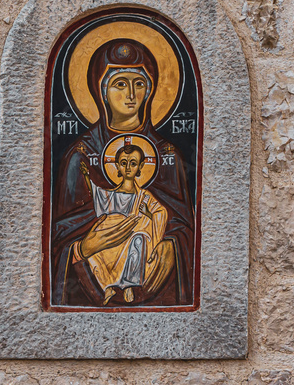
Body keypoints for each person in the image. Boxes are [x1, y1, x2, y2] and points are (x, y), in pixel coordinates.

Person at [50, 38, 195, 307]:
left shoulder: (168, 155)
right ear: (101, 91)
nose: (131, 94)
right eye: (120, 83)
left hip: (153, 269)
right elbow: (59, 234)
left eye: (139, 84)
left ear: (150, 91)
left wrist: (171, 250)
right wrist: (82, 249)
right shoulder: (81, 154)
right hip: (91, 275)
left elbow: (184, 227)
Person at [79, 145, 169, 304]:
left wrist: (147, 213)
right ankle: (107, 286)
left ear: (140, 166)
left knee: (139, 240)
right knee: (93, 248)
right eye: (124, 163)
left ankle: (128, 284)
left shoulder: (144, 196)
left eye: (133, 163)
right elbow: (97, 195)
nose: (128, 168)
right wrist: (86, 176)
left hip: (133, 233)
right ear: (117, 166)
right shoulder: (111, 194)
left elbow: (160, 213)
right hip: (112, 232)